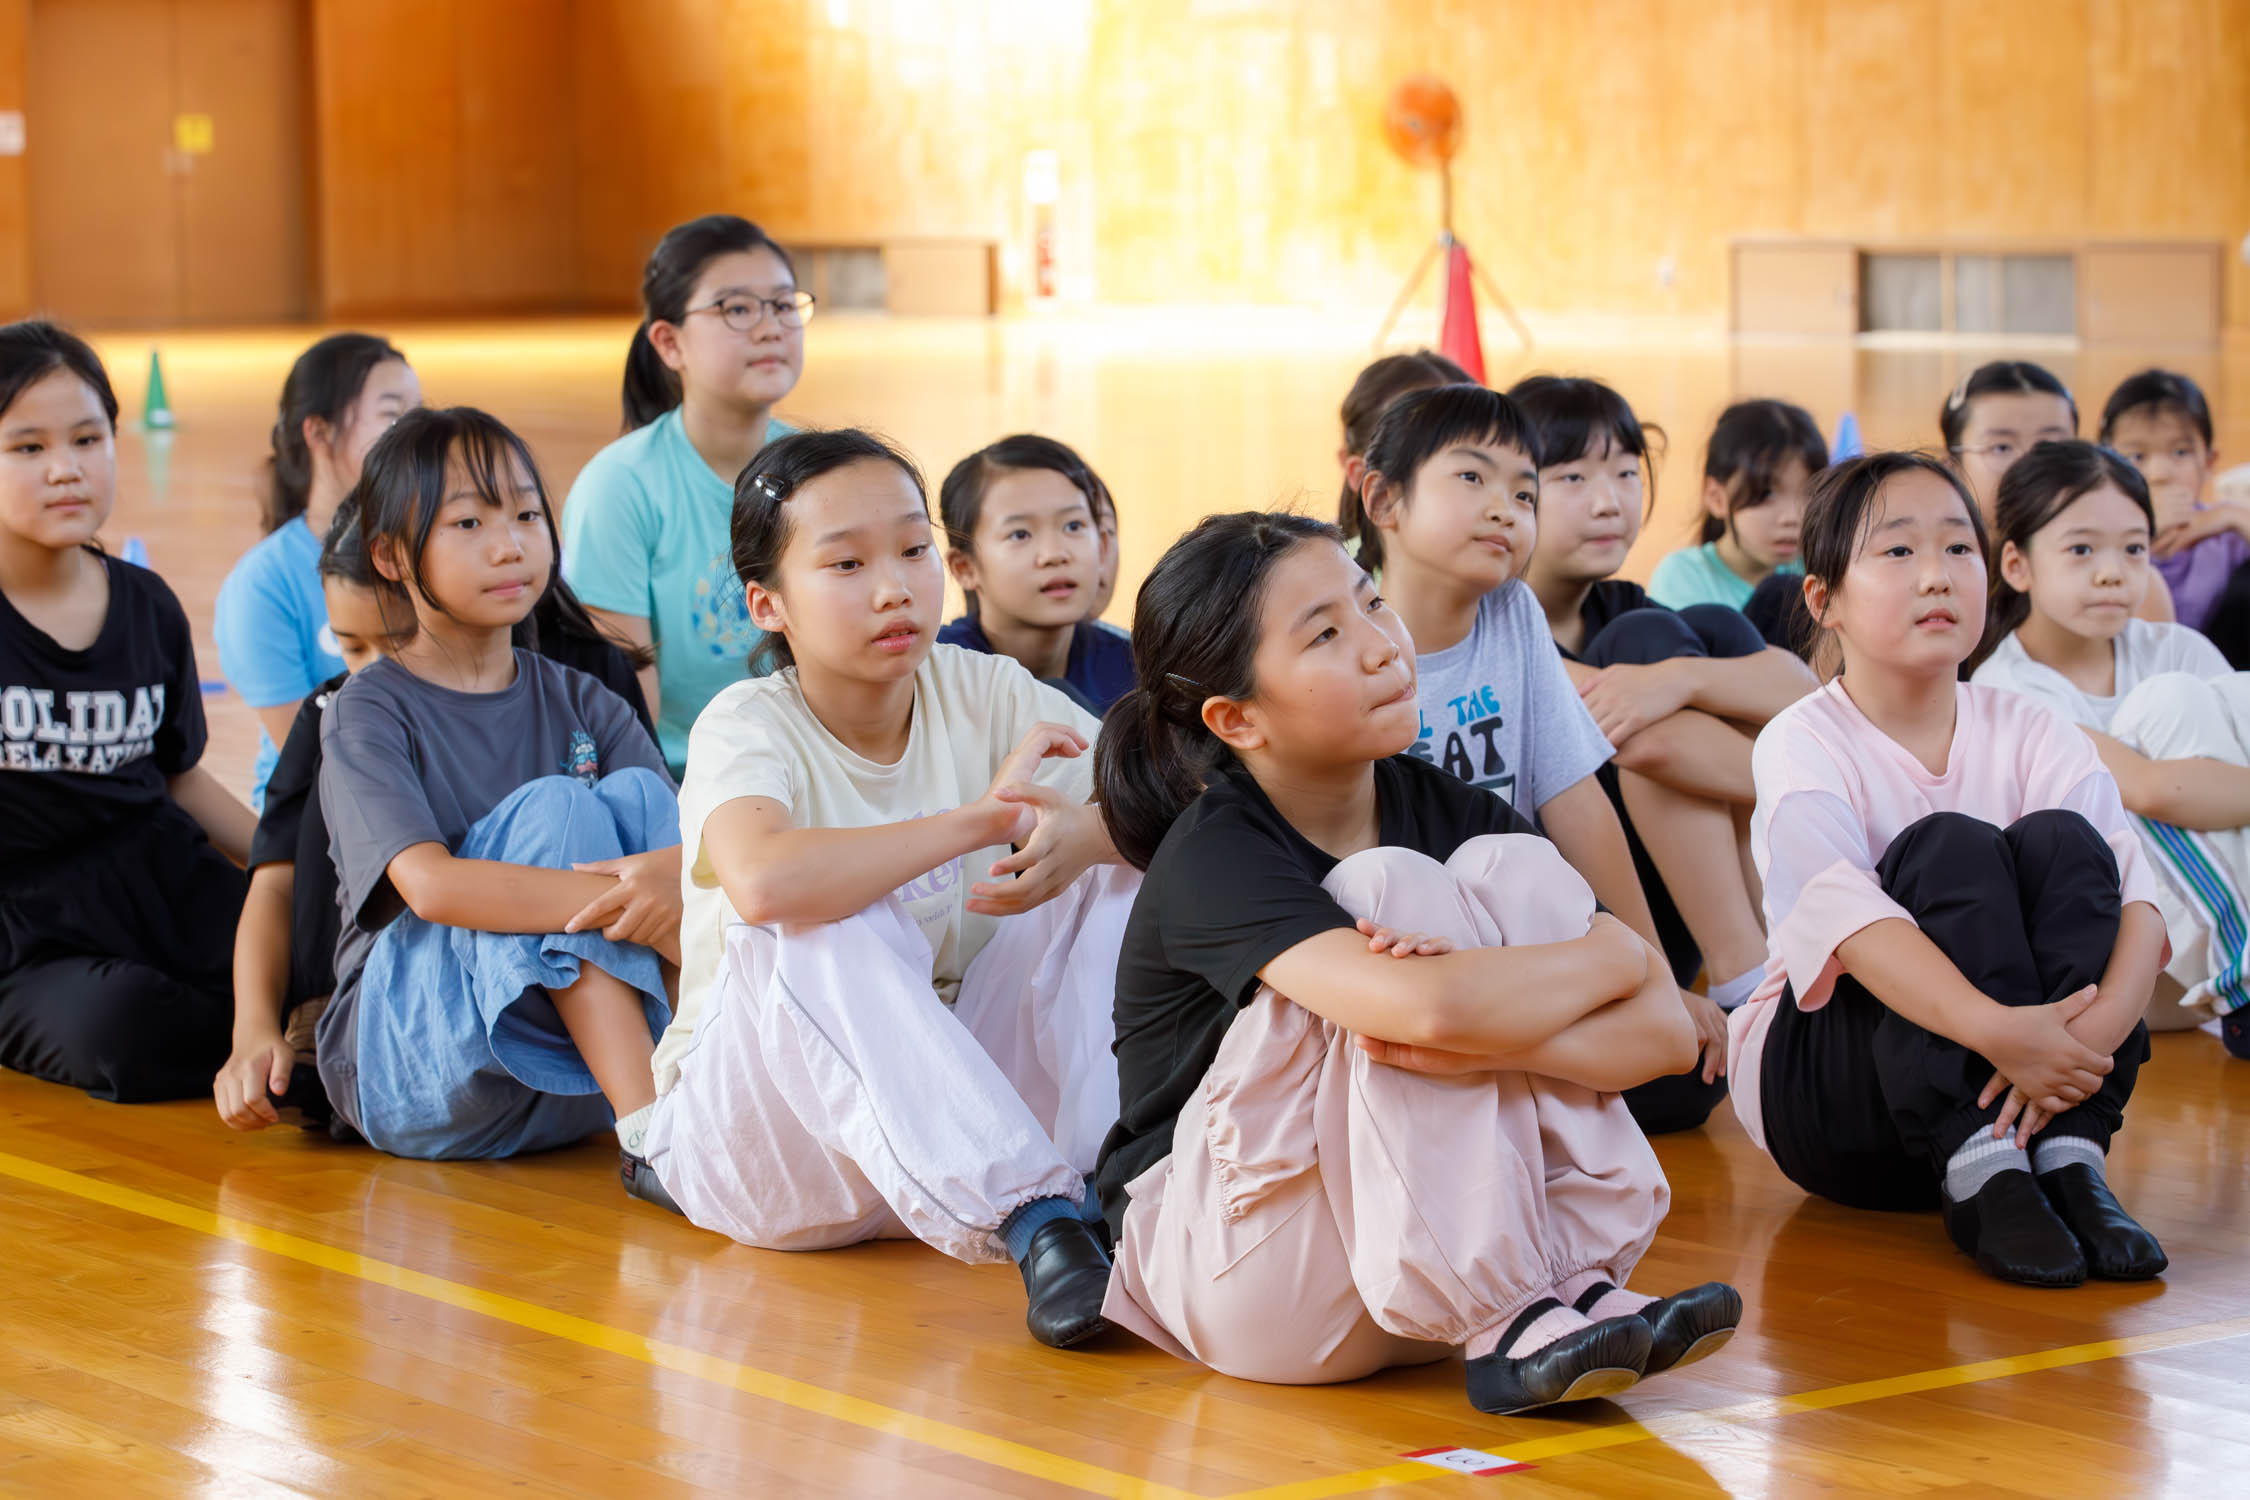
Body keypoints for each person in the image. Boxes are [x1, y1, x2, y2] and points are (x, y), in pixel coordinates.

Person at [1091, 510, 1738, 1413]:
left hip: (1413, 1282)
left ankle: (1566, 1284)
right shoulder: (1214, 853)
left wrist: (1524, 1016)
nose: (1382, 646)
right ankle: (1511, 1306)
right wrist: (1609, 959)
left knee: (1509, 874)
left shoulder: (1453, 810)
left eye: (1371, 604)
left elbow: (1667, 1033)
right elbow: (1430, 1019)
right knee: (1391, 890)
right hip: (1248, 1273)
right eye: (1325, 633)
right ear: (1236, 718)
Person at [635, 428, 1137, 1350]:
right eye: (847, 563)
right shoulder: (745, 722)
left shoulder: (981, 688)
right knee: (813, 913)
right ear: (768, 602)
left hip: (956, 1122)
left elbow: (1163, 792)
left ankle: (1117, 1190)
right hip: (779, 1157)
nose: (894, 587)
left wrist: (1088, 836)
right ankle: (1044, 1225)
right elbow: (764, 881)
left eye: (912, 550)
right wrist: (984, 821)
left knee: (1107, 867)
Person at [1734, 449, 2169, 1287]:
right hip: (1836, 1102)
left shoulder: (2033, 725)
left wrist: (2092, 1039)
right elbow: (1853, 932)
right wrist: (2003, 1033)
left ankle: (2072, 1164)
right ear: (1825, 601)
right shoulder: (1801, 740)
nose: (1937, 575)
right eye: (1898, 552)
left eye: (1958, 549)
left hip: (2043, 1092)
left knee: (2062, 842)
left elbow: (2134, 894)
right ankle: (1982, 1178)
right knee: (1952, 845)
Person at [1339, 384, 1724, 1115]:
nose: (1504, 509)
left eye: (1524, 494)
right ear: (1385, 501)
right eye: (1473, 478)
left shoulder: (1513, 613)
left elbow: (1574, 798)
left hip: (1514, 926)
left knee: (1681, 1086)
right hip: (1394, 940)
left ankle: (1518, 1067)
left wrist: (1656, 974)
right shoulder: (1348, 634)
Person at [318, 407, 681, 1161]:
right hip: (415, 1070)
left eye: (524, 514)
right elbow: (432, 888)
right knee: (559, 808)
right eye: (468, 524)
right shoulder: (367, 708)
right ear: (390, 557)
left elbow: (678, 858)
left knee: (645, 801)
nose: (511, 545)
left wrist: (667, 886)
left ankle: (686, 1090)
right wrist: (631, 902)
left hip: (568, 1090)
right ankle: (660, 1138)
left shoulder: (583, 698)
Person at [1514, 376, 1819, 1130]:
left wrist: (1678, 679)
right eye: (1573, 477)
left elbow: (1801, 695)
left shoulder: (1630, 611)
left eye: (1624, 471)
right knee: (1651, 663)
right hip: (1582, 919)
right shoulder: (1497, 628)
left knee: (1702, 630)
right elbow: (1632, 732)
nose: (1609, 499)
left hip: (1665, 919)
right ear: (1511, 493)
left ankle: (1754, 978)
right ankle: (1757, 979)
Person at [0, 320, 256, 1101]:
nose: (65, 470)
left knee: (310, 946)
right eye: (28, 448)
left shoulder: (146, 605)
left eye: (87, 439)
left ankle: (280, 1034)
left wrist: (302, 867)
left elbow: (179, 778)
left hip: (160, 881)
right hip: (26, 933)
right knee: (124, 1026)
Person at [1970, 439, 2250, 1058]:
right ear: (2017, 565)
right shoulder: (2005, 687)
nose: (2112, 571)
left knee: (2193, 698)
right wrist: (2209, 791)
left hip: (2199, 951)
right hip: (2122, 976)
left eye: (2134, 548)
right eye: (2080, 549)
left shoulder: (2174, 648)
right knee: (2161, 726)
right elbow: (2154, 791)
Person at [563, 214, 809, 774]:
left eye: (783, 305)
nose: (771, 327)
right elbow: (627, 703)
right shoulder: (619, 487)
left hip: (812, 768)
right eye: (737, 308)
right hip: (685, 783)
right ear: (669, 342)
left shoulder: (821, 469)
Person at [214, 333, 418, 807]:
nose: (414, 436)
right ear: (319, 433)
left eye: (419, 414)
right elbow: (303, 754)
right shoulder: (264, 585)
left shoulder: (433, 552)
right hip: (326, 816)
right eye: (392, 415)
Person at [1941, 359, 2173, 625]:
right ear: (1953, 466)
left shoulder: (2131, 591)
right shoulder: (1939, 579)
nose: (2030, 462)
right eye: (2001, 447)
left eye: (2051, 444)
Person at [938, 434, 1135, 714]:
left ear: (1102, 546)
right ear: (965, 567)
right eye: (1020, 534)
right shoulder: (933, 678)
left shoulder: (1135, 669)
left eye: (1073, 526)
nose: (1055, 554)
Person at [1646, 399, 1823, 643]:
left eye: (1809, 493)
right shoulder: (1683, 577)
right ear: (1716, 498)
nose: (1793, 517)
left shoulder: (1815, 573)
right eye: (1766, 494)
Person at [2100, 370, 2245, 661]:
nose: (2160, 474)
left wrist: (2231, 516)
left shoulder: (2223, 535)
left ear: (2208, 462)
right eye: (2137, 457)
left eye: (2180, 452)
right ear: (2104, 462)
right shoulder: (2094, 533)